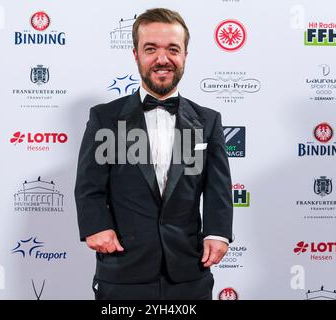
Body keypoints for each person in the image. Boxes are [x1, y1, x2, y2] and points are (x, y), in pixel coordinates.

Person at [75, 8, 233, 300]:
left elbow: (218, 188)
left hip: (189, 271)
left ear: (185, 55)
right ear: (136, 55)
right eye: (151, 49)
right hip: (123, 268)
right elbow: (89, 186)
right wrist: (96, 226)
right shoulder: (105, 119)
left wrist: (218, 233)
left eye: (173, 49)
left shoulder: (208, 120)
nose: (163, 59)